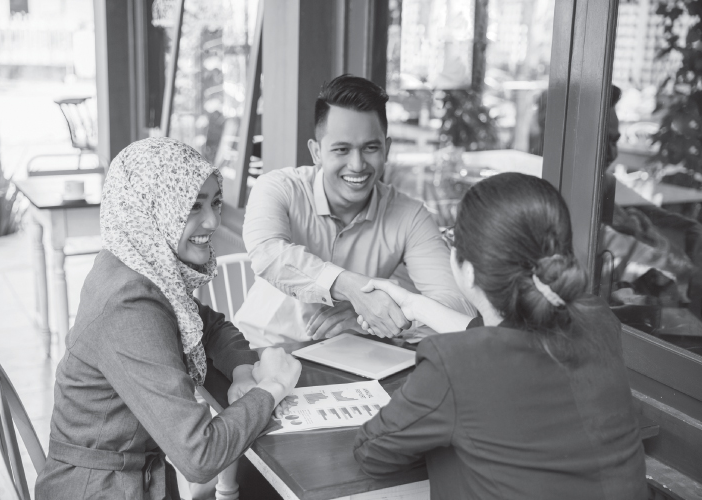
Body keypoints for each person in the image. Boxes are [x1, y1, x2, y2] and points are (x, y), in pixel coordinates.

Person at [35, 138, 301, 499]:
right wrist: (273, 387)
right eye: (192, 206)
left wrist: (242, 371)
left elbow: (211, 326)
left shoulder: (136, 265)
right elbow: (200, 456)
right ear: (150, 208)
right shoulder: (130, 304)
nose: (213, 220)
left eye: (215, 202)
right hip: (101, 489)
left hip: (125, 477)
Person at [353, 172, 646, 500]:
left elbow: (372, 452)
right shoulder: (597, 319)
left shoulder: (452, 365)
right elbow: (501, 338)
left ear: (469, 270)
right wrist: (414, 305)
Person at [235, 74, 477, 348]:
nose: (358, 164)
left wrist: (374, 312)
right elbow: (268, 254)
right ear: (316, 152)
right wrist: (352, 288)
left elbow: (457, 308)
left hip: (357, 359)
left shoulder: (410, 215)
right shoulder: (279, 187)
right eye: (341, 149)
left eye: (370, 148)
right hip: (261, 349)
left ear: (387, 149)